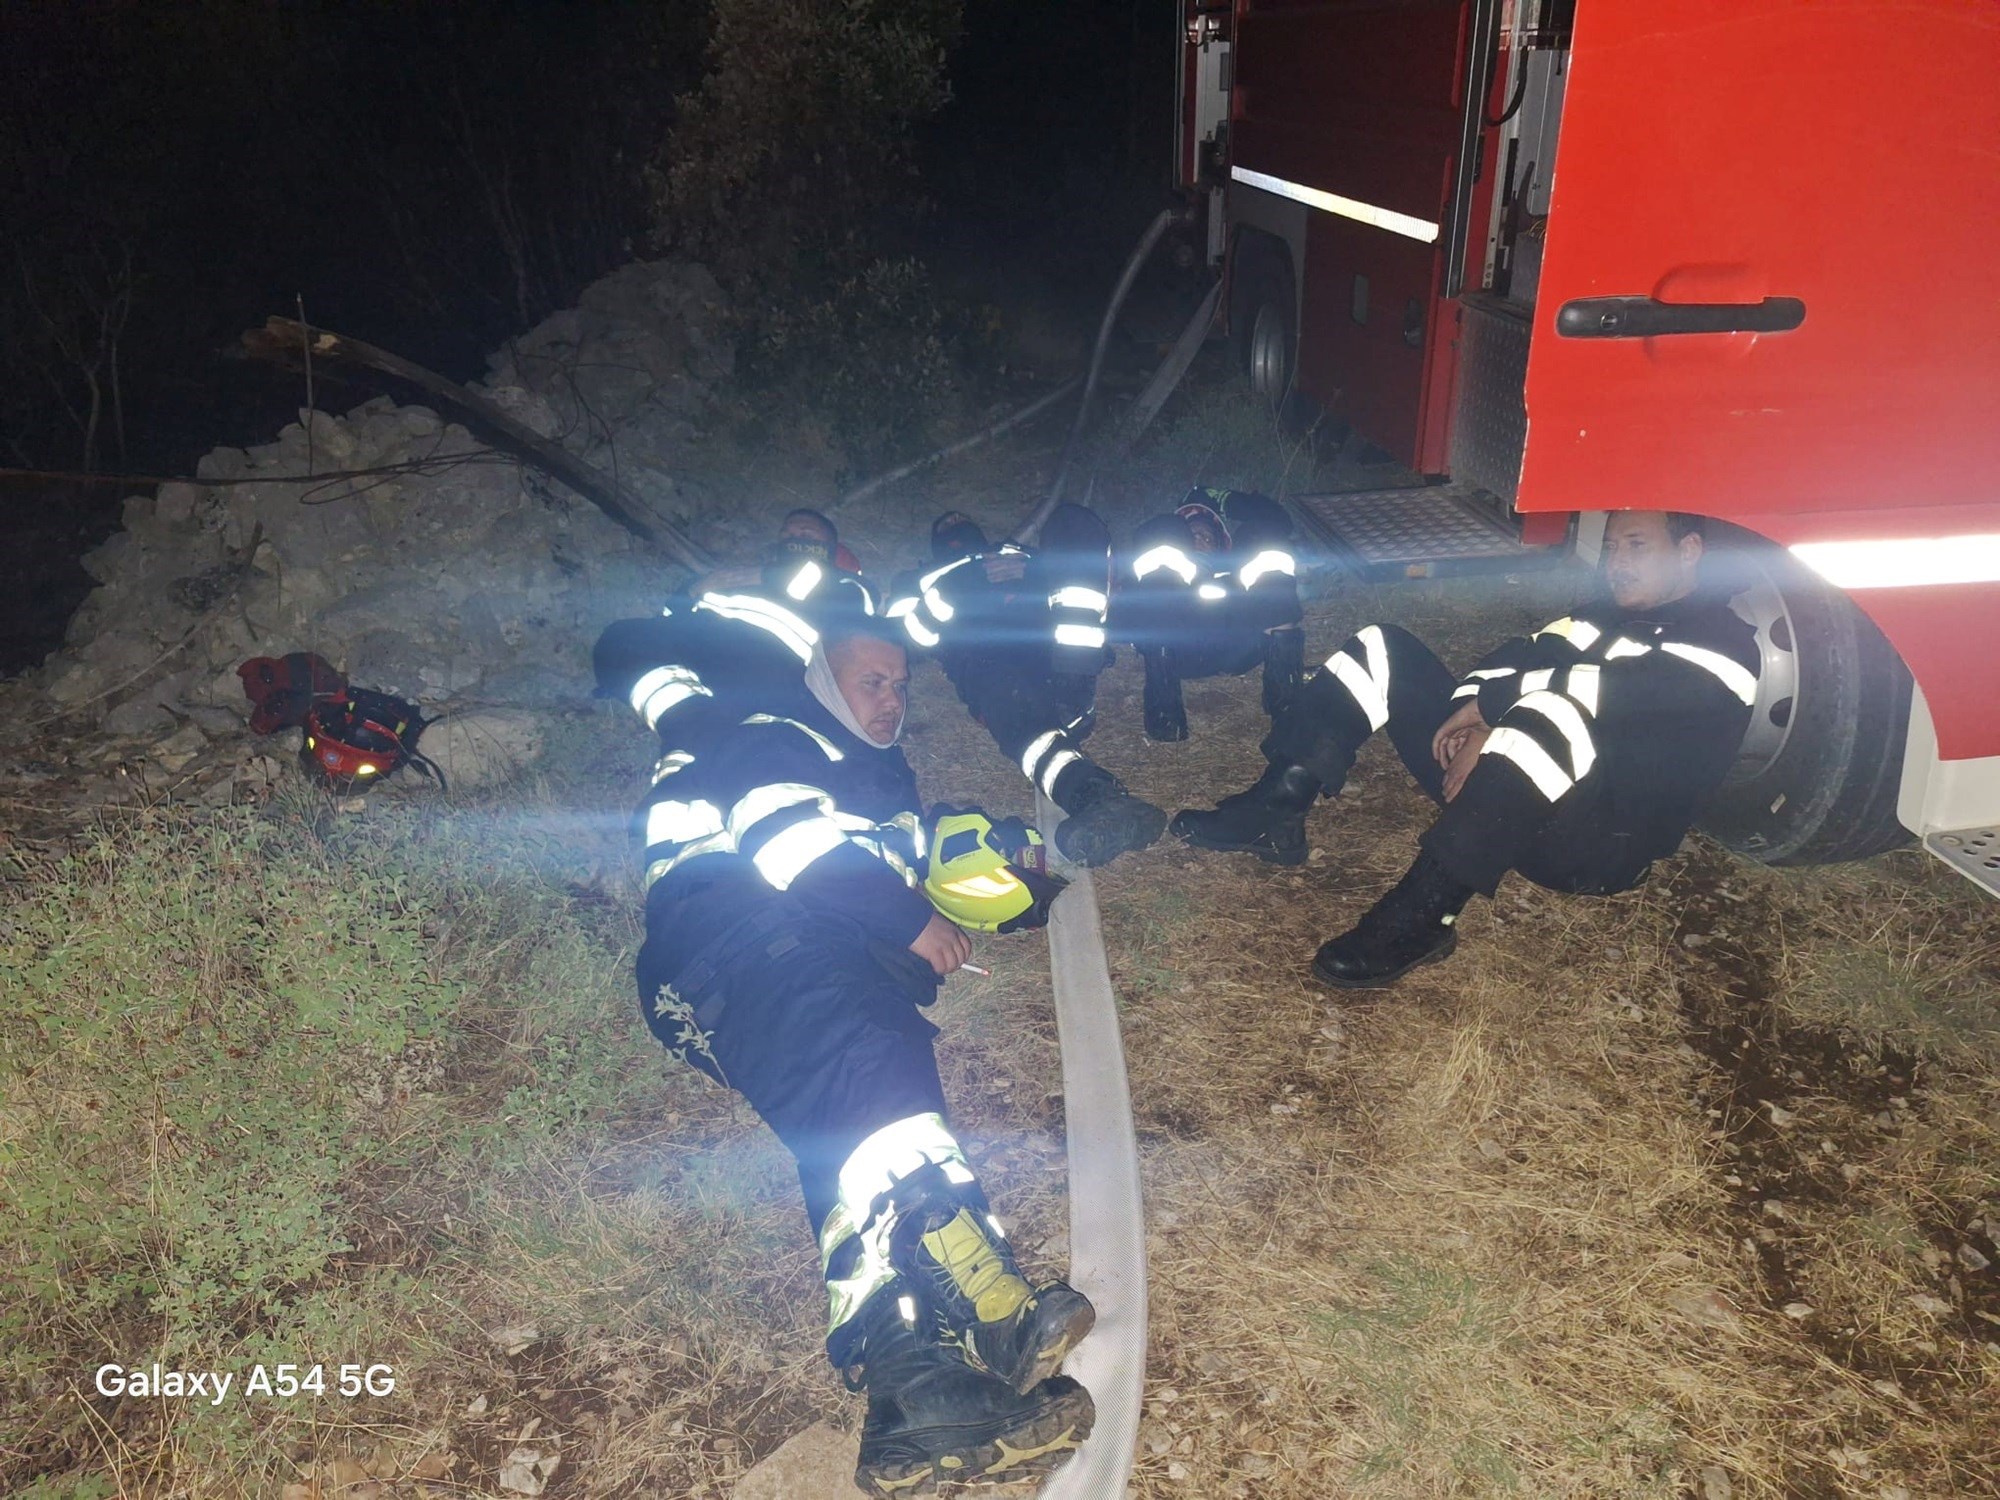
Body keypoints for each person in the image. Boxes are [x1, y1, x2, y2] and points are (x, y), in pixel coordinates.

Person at [594, 606, 1096, 1494]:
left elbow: (928, 865)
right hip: (745, 941)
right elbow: (786, 841)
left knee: (855, 1135)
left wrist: (1002, 884)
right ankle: (983, 1311)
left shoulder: (867, 779)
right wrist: (912, 919)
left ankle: (916, 1399)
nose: (893, 699)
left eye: (902, 684)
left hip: (781, 965)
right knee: (874, 1083)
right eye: (873, 680)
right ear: (820, 679)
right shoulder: (763, 731)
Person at [1171, 511, 1760, 987]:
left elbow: (1614, 696)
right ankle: (1277, 805)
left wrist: (1497, 711)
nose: (1617, 563)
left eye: (1636, 546)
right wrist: (1477, 713)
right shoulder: (1594, 618)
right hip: (1506, 794)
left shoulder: (1726, 646)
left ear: (1689, 551)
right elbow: (1512, 657)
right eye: (1611, 547)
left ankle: (1424, 917)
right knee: (1384, 647)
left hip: (1596, 845)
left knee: (1551, 709)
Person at [886, 508, 1169, 867]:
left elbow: (1082, 578)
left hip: (1065, 663)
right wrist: (953, 590)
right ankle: (1096, 798)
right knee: (1009, 699)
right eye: (945, 524)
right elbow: (906, 638)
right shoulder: (921, 580)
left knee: (1071, 523)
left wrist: (1036, 570)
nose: (955, 524)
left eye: (961, 519)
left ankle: (1076, 692)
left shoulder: (1013, 552)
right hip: (995, 674)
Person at [1113, 487, 1305, 741]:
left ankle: (1287, 707)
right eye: (1192, 535)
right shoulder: (1161, 573)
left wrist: (1227, 500)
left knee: (1265, 538)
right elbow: (1123, 617)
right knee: (1164, 528)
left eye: (1207, 536)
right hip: (1176, 654)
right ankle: (1165, 719)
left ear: (1220, 545)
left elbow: (1277, 523)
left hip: (1237, 648)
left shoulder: (1237, 573)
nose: (1200, 540)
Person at [691, 506, 877, 616]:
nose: (793, 539)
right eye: (786, 534)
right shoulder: (750, 575)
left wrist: (766, 576)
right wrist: (693, 589)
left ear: (831, 547)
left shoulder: (849, 587)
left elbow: (857, 599)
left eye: (806, 535)